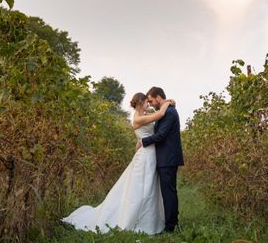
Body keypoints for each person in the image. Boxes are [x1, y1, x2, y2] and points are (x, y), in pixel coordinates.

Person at [61, 92, 175, 234]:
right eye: (147, 102)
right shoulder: (138, 118)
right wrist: (167, 103)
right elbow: (158, 116)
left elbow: (142, 135)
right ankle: (134, 218)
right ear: (140, 103)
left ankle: (150, 218)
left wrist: (139, 144)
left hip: (149, 153)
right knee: (140, 186)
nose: (149, 105)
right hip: (147, 154)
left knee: (149, 186)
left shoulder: (143, 116)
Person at [139, 86, 184, 233]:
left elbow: (161, 135)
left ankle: (171, 226)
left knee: (168, 192)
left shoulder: (169, 112)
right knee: (167, 191)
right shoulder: (165, 111)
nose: (150, 104)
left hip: (168, 158)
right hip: (165, 158)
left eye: (151, 100)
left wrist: (143, 142)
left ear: (158, 97)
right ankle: (170, 221)